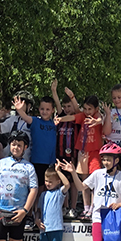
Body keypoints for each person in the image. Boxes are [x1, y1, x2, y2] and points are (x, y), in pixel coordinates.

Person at [55, 95, 104, 221]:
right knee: (84, 182)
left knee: (94, 182)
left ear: (96, 109)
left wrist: (97, 121)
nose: (87, 112)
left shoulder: (97, 116)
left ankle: (93, 208)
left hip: (94, 153)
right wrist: (60, 119)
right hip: (82, 152)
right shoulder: (82, 116)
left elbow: (102, 119)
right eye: (85, 108)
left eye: (90, 109)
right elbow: (72, 117)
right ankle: (86, 208)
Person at [30, 163, 70, 241]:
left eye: (50, 181)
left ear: (58, 181)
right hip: (44, 229)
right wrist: (37, 220)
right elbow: (38, 210)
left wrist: (59, 171)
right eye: (46, 181)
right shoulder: (43, 195)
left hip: (56, 228)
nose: (47, 184)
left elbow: (67, 184)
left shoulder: (60, 193)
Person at [13, 95, 57, 193]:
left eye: (47, 109)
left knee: (50, 186)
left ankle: (44, 203)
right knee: (38, 186)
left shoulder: (55, 123)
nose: (44, 112)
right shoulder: (35, 121)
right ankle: (35, 203)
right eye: (42, 109)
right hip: (38, 159)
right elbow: (25, 117)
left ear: (53, 110)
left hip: (51, 160)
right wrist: (20, 110)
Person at [50, 79, 81, 219]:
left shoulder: (77, 118)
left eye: (69, 106)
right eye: (65, 107)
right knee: (63, 180)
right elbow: (57, 103)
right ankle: (65, 206)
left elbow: (77, 110)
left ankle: (73, 207)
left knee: (73, 181)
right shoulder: (61, 116)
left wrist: (72, 97)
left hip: (73, 155)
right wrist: (54, 91)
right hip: (60, 153)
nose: (67, 109)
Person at [0, 90, 34, 160]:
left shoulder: (33, 121)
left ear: (29, 106)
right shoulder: (13, 119)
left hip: (25, 159)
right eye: (15, 103)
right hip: (9, 159)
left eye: (21, 103)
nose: (17, 105)